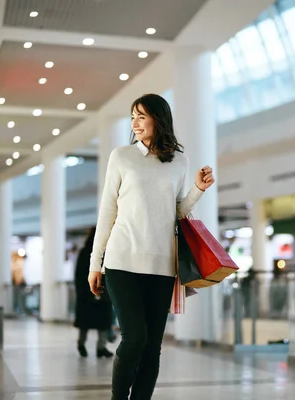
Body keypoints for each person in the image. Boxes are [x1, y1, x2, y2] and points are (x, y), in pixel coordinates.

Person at [88, 93, 215, 400]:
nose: (135, 123)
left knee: (152, 346)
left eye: (141, 116)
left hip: (162, 265)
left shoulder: (180, 162)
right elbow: (107, 211)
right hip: (121, 262)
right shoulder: (121, 156)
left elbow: (177, 212)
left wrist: (197, 189)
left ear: (159, 120)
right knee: (135, 338)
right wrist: (96, 263)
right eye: (133, 117)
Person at [74, 227, 114, 358]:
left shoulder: (84, 252)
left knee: (85, 323)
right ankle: (100, 348)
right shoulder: (104, 252)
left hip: (86, 295)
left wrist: (81, 293)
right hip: (101, 293)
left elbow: (78, 275)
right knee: (103, 322)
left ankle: (81, 344)